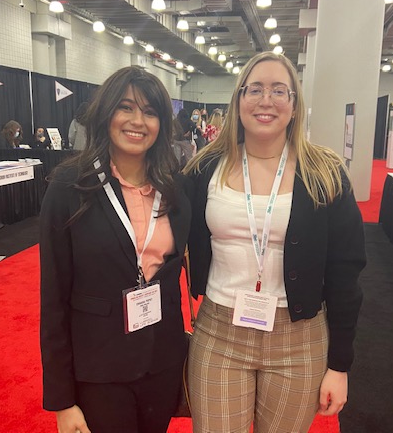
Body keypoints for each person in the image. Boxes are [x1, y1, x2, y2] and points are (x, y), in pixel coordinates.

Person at [184, 52, 367, 433]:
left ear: (295, 105)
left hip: (299, 339)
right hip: (220, 333)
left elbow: (345, 272)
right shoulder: (204, 169)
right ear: (238, 101)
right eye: (255, 89)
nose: (266, 100)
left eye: (278, 90)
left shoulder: (325, 173)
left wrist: (340, 365)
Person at [40, 66, 192, 433]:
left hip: (161, 360)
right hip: (99, 367)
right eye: (126, 107)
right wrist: (62, 398)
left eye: (151, 111)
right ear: (106, 113)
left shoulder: (173, 187)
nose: (138, 121)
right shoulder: (69, 185)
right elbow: (54, 297)